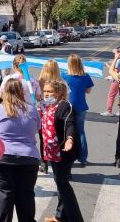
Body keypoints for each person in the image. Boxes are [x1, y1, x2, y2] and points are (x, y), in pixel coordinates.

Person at [0, 79, 41, 222]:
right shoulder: (31, 109)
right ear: (22, 92)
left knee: (4, 194)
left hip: (3, 157)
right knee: (26, 195)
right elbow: (37, 128)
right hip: (29, 157)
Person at [40, 80, 84, 222]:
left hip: (63, 151)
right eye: (45, 91)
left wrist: (70, 139)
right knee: (60, 183)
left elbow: (69, 123)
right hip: (52, 151)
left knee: (63, 185)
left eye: (50, 91)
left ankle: (75, 218)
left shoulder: (65, 106)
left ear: (58, 93)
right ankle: (60, 216)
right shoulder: (48, 105)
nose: (46, 94)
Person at [62, 54, 93, 165]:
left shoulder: (65, 76)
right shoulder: (85, 76)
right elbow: (88, 90)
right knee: (80, 132)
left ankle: (68, 156)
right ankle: (83, 157)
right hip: (81, 106)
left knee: (67, 132)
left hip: (68, 108)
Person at [102, 47, 120, 117]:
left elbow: (115, 72)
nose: (114, 54)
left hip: (117, 80)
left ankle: (109, 110)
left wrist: (110, 75)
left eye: (116, 52)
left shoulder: (119, 60)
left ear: (119, 52)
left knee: (111, 95)